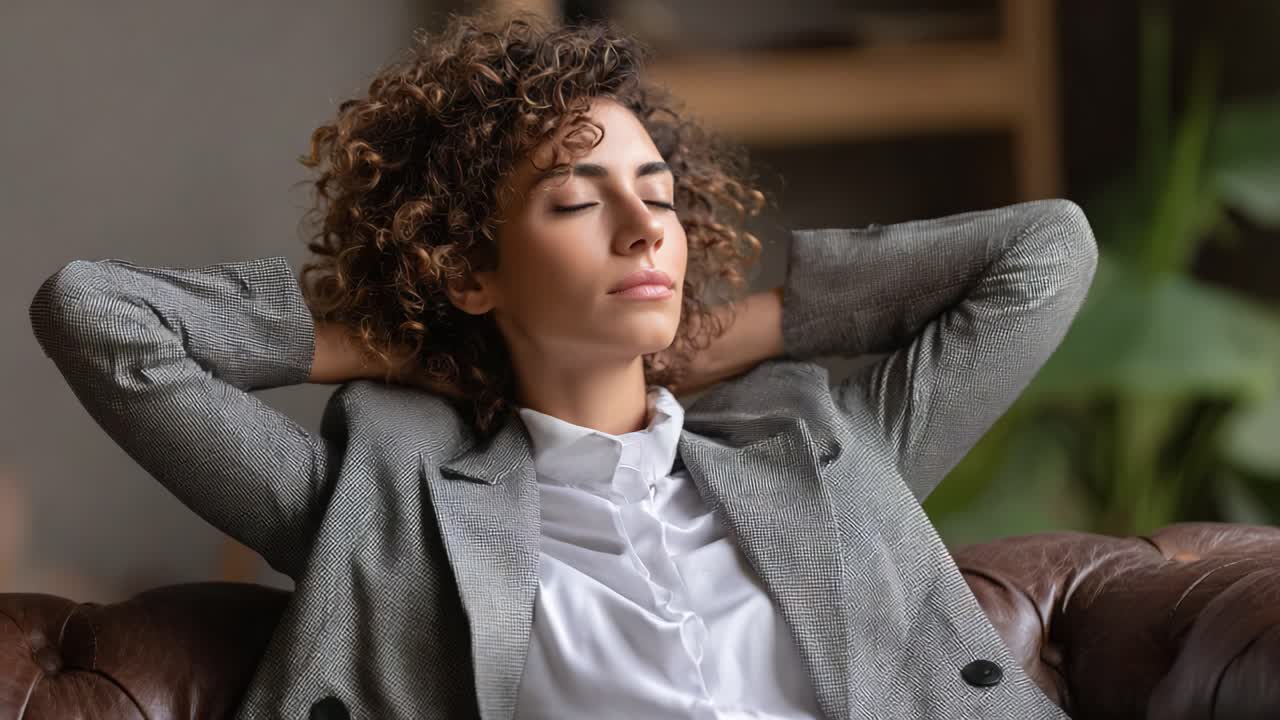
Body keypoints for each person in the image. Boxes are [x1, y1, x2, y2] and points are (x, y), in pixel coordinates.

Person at [29, 9, 1097, 720]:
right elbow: (98, 316)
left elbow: (1044, 253)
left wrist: (706, 335)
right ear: (467, 265)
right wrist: (406, 337)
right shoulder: (386, 506)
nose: (642, 228)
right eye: (577, 201)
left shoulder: (820, 453)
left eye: (660, 197)